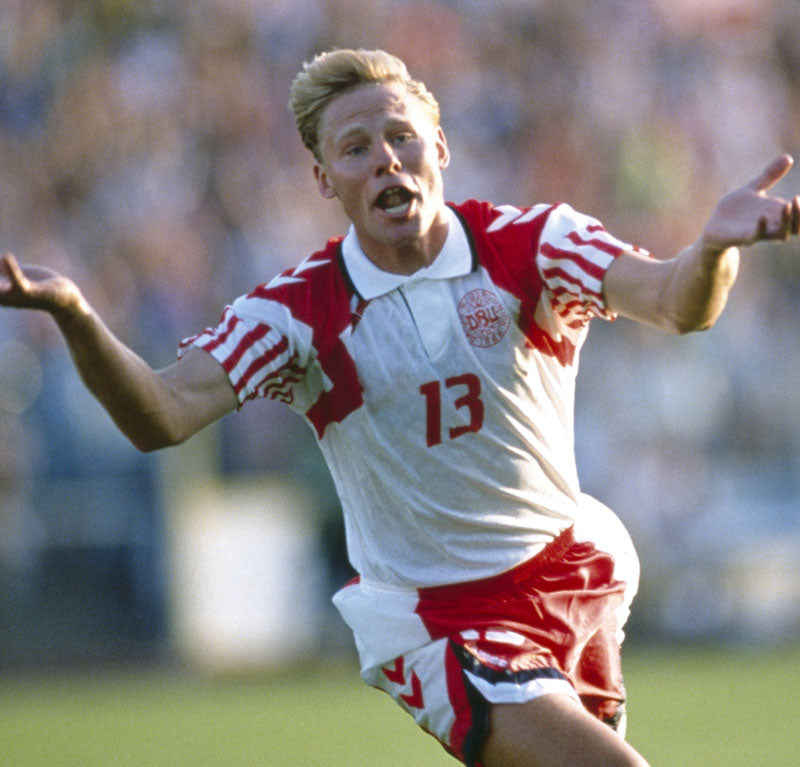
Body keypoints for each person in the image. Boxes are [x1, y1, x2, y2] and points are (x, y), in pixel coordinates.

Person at [2, 48, 799, 767]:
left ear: (441, 148)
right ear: (324, 179)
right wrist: (77, 314)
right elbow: (163, 414)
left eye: (402, 137)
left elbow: (674, 302)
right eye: (355, 149)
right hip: (439, 622)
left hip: (569, 576)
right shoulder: (295, 314)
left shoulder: (535, 245)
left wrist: (713, 252)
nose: (386, 160)